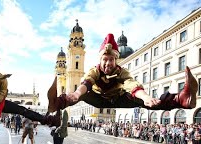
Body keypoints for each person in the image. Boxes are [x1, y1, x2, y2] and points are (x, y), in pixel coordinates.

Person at [47, 33, 198, 113]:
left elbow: (132, 84)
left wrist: (145, 97)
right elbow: (86, 83)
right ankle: (57, 103)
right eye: (105, 59)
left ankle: (182, 99)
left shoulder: (121, 72)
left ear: (115, 60)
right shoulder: (95, 70)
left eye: (111, 59)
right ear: (101, 60)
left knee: (146, 101)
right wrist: (76, 95)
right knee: (81, 94)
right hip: (98, 99)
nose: (107, 63)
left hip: (118, 99)